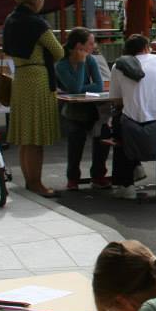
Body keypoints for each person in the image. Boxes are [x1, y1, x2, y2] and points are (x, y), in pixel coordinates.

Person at [3, 0, 63, 197]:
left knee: (26, 136)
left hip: (20, 76)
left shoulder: (10, 20)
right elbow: (58, 51)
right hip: (38, 78)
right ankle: (36, 183)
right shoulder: (37, 23)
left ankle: (30, 181)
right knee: (37, 137)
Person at [109, 34, 156, 199]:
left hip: (133, 131)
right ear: (146, 47)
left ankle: (126, 183)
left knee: (115, 128)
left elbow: (117, 101)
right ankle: (134, 170)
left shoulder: (118, 66)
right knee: (124, 125)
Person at [56, 27, 111, 191]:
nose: (94, 46)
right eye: (90, 43)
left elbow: (99, 85)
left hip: (94, 108)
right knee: (75, 140)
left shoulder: (91, 60)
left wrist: (80, 89)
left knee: (104, 135)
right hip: (74, 110)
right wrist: (80, 64)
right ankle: (73, 177)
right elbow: (74, 88)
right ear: (79, 45)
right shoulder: (61, 65)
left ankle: (98, 175)